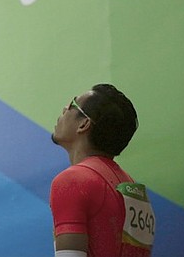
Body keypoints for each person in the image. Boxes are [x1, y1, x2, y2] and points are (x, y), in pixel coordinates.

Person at [50, 84, 155, 257]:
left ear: (84, 124)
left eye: (71, 105)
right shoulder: (133, 188)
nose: (64, 109)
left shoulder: (72, 181)